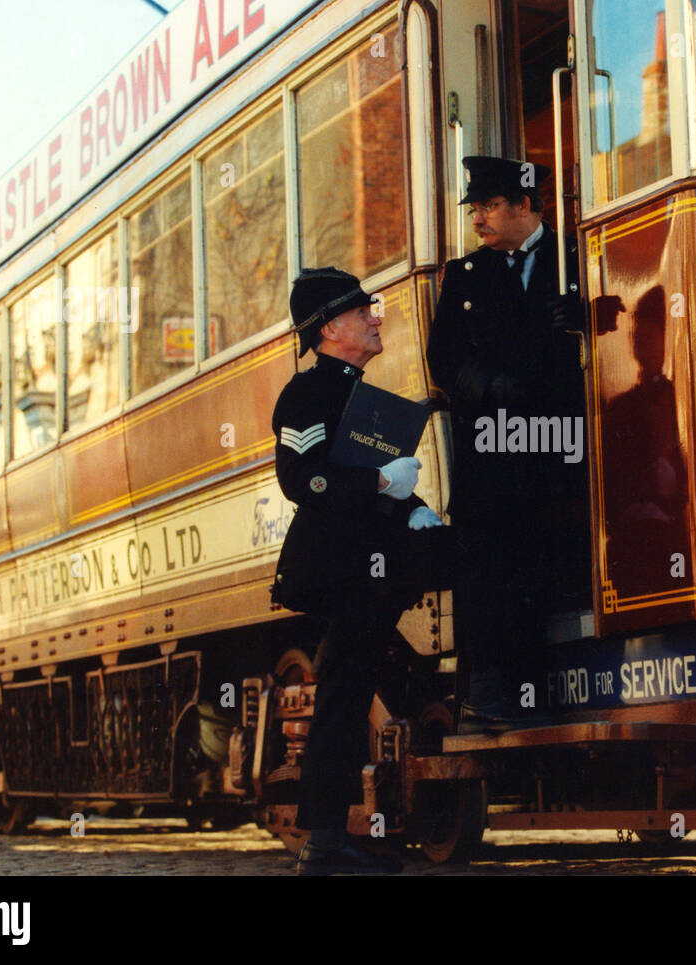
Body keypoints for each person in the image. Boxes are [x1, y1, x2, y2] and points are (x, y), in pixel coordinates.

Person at [272, 266, 454, 875]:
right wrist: (379, 478)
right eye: (362, 312)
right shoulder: (307, 394)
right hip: (342, 568)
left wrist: (417, 509)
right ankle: (324, 844)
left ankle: (329, 839)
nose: (376, 318)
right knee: (342, 696)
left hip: (373, 566)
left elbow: (377, 487)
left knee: (349, 694)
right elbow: (304, 479)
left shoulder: (356, 392)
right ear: (330, 329)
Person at [426, 156, 590, 732]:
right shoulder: (465, 275)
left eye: (489, 206)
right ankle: (488, 693)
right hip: (492, 452)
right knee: (490, 564)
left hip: (557, 450)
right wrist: (490, 386)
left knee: (543, 568)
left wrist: (588, 319)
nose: (478, 217)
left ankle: (533, 693)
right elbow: (442, 359)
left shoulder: (576, 258)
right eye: (474, 207)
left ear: (525, 206)